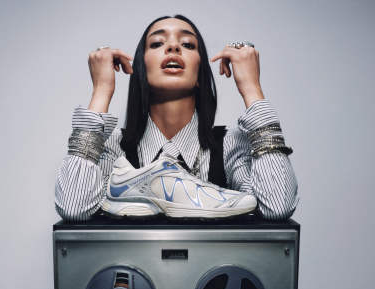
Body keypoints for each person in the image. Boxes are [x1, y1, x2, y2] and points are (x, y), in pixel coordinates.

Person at [55, 15, 299, 221]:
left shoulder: (231, 144)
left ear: (200, 75)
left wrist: (252, 88)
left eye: (188, 44)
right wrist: (101, 91)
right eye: (157, 43)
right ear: (141, 70)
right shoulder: (113, 146)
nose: (173, 47)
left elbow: (277, 206)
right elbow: (73, 207)